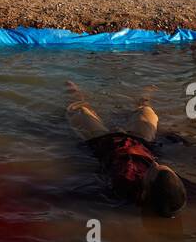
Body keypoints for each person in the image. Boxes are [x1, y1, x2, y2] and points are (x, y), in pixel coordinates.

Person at [64, 81, 187, 217]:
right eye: (159, 164)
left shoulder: (123, 186)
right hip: (141, 141)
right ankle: (144, 100)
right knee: (146, 111)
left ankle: (76, 96)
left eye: (153, 169)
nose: (155, 163)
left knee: (79, 111)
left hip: (103, 141)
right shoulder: (169, 190)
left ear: (145, 190)